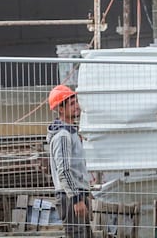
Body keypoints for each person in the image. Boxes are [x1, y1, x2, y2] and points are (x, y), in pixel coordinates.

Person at [46, 84, 93, 238]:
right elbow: (64, 170)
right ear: (60, 108)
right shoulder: (63, 136)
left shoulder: (70, 133)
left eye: (76, 102)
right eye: (71, 104)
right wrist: (77, 199)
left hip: (74, 195)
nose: (77, 106)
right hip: (70, 197)